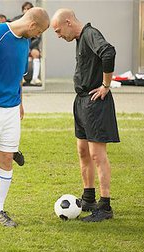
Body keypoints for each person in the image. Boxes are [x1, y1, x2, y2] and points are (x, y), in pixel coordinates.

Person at [0, 7, 49, 227]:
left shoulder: (24, 43)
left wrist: (21, 103)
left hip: (12, 109)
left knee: (6, 161)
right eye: (39, 32)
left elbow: (19, 77)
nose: (37, 36)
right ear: (32, 25)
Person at [51, 9, 119, 222]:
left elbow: (108, 52)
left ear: (69, 22)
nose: (59, 35)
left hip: (95, 102)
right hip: (81, 102)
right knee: (82, 151)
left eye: (58, 30)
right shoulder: (80, 39)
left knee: (97, 155)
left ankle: (105, 206)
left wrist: (105, 85)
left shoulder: (90, 34)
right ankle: (88, 198)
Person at [12, 2, 42, 86]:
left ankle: (35, 79)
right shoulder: (17, 20)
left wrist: (30, 47)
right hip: (19, 44)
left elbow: (38, 37)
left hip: (32, 45)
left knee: (36, 54)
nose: (27, 11)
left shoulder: (37, 22)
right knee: (19, 53)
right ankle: (21, 77)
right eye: (25, 9)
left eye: (29, 9)